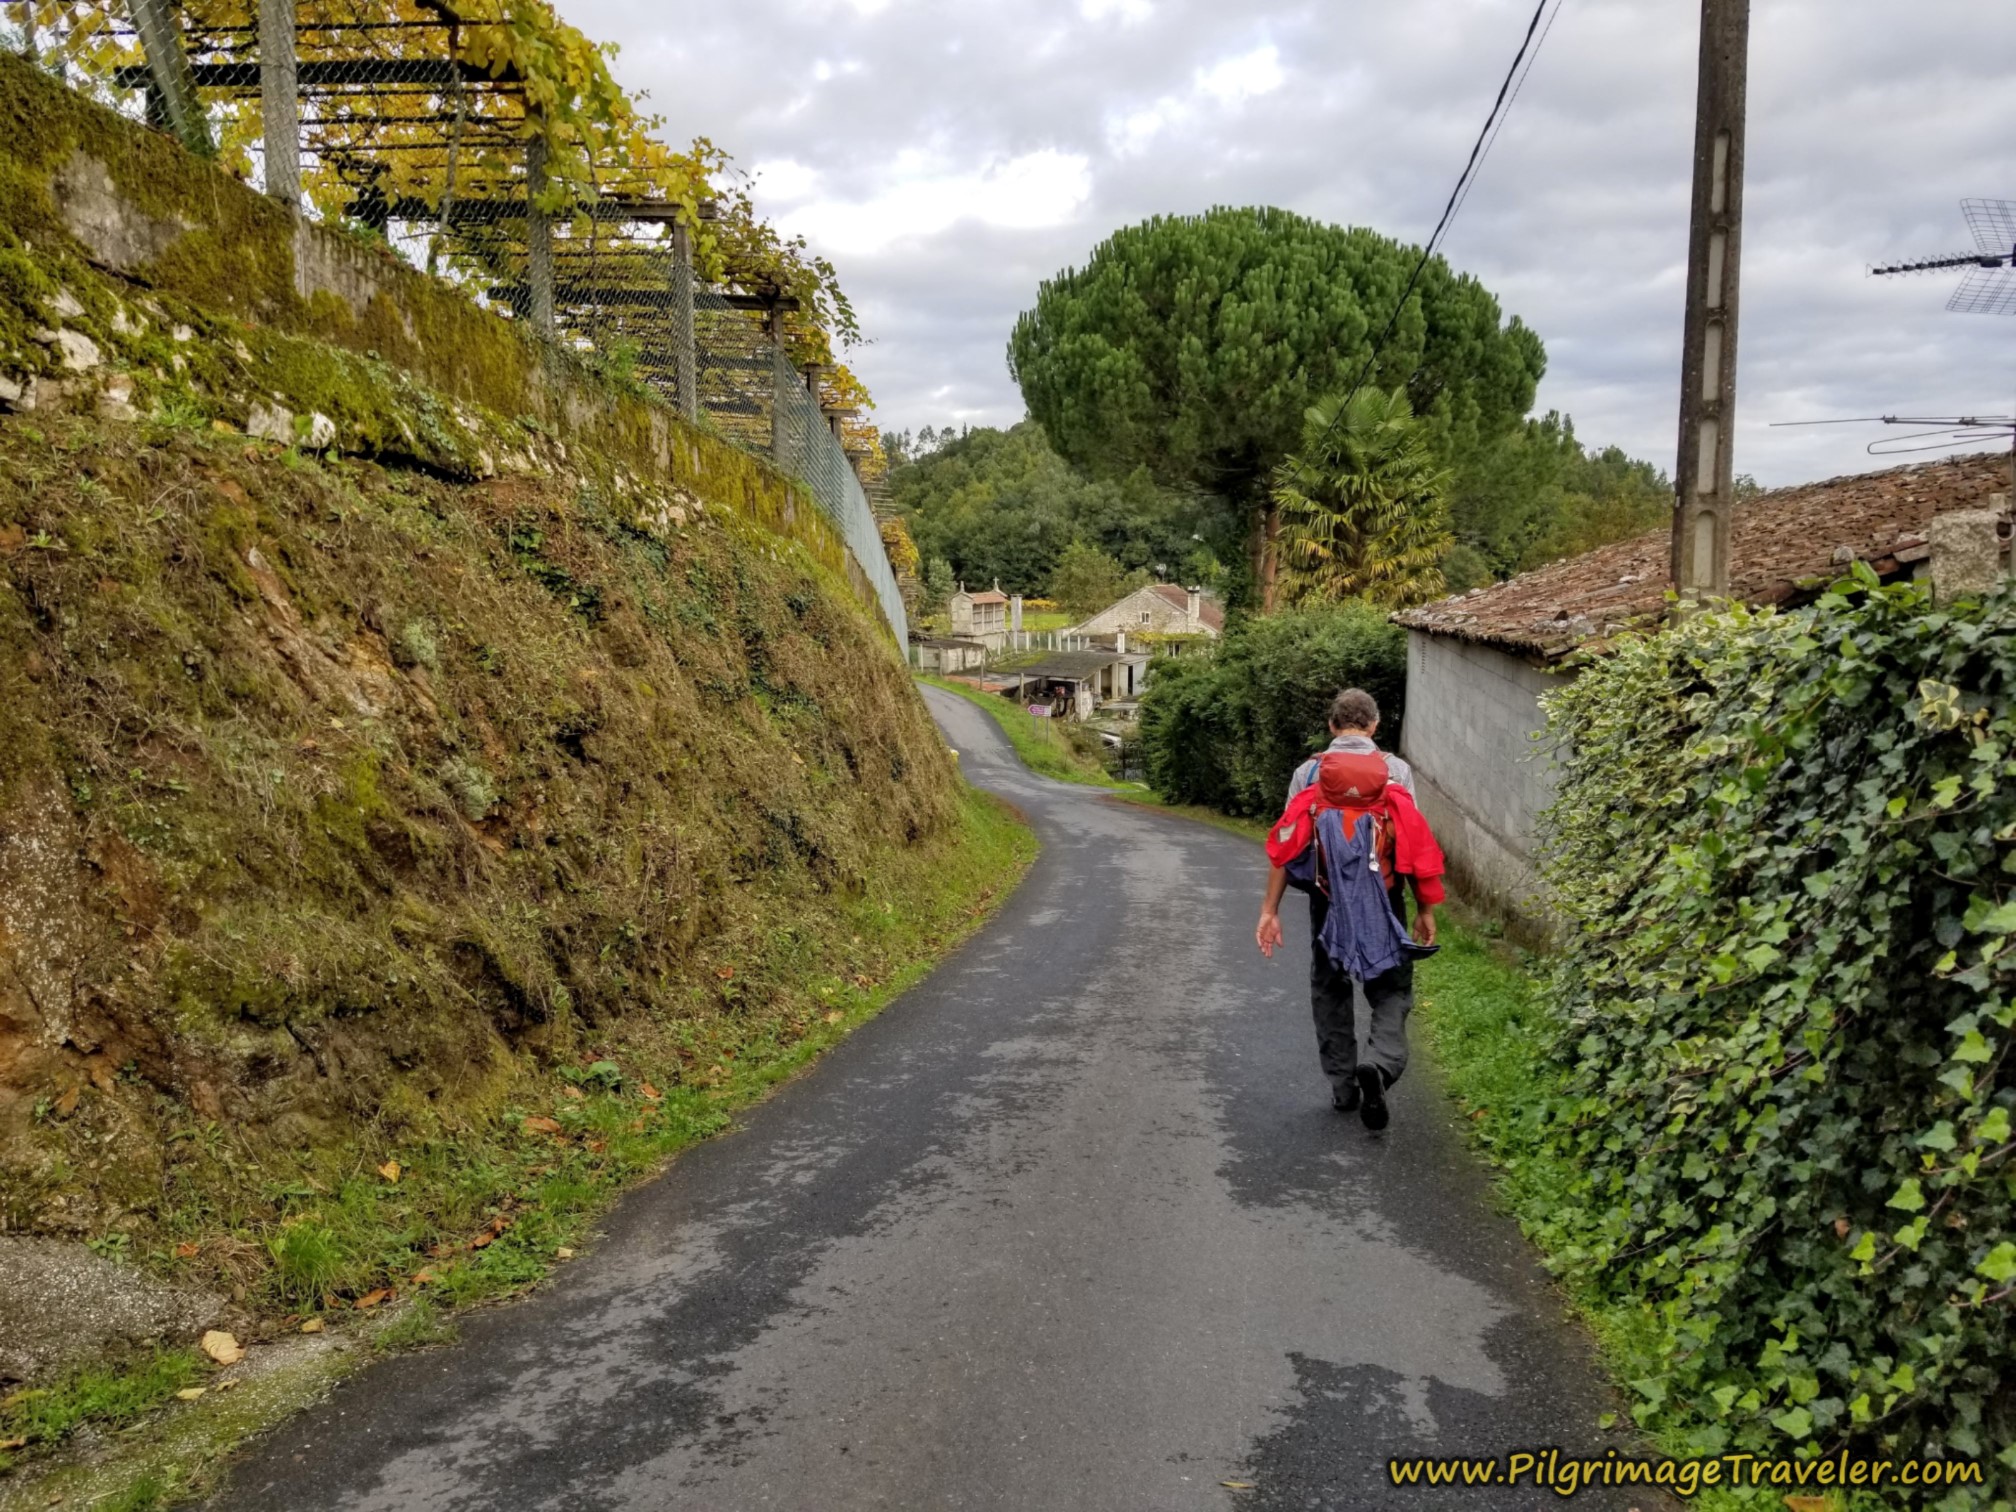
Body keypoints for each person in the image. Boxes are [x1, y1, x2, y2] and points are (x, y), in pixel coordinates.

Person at [1255, 689, 1443, 1130]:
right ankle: (1378, 1065)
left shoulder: (1309, 773)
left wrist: (1270, 910)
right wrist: (1425, 909)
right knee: (1392, 990)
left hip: (1328, 900)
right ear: (1375, 726)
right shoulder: (1395, 771)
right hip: (1386, 899)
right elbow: (1411, 841)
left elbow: (1287, 845)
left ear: (1332, 726)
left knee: (1330, 987)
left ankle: (1343, 1086)